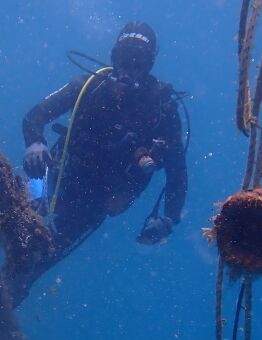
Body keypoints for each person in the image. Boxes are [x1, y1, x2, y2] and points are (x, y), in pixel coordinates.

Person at [22, 21, 188, 254]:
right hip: (56, 175)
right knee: (3, 211)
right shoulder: (89, 86)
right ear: (113, 57)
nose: (129, 68)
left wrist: (169, 219)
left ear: (150, 63)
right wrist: (35, 143)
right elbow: (34, 117)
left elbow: (177, 172)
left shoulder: (162, 109)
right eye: (124, 57)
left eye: (137, 60)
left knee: (33, 265)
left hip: (97, 202)